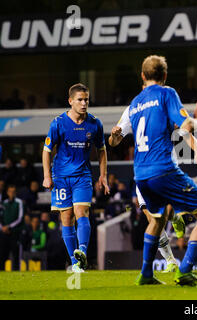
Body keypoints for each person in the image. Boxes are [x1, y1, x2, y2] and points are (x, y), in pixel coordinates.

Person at [109, 54, 197, 286]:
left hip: (141, 175)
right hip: (163, 170)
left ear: (142, 76)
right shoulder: (167, 93)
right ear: (165, 76)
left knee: (157, 220)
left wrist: (114, 136)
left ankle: (146, 273)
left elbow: (113, 142)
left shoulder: (135, 103)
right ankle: (185, 271)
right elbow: (186, 127)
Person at [42, 83, 110, 273]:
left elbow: (102, 150)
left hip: (83, 176)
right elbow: (46, 151)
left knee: (82, 212)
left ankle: (82, 252)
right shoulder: (58, 123)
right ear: (70, 101)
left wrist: (103, 176)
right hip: (61, 177)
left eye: (86, 99)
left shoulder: (95, 123)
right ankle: (75, 262)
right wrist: (47, 176)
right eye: (80, 100)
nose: (84, 103)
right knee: (67, 217)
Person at [0, 185, 24, 270]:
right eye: (10, 191)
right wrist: (2, 227)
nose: (11, 193)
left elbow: (20, 218)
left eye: (13, 192)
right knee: (2, 254)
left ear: (16, 193)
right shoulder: (3, 203)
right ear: (7, 192)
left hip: (14, 232)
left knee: (15, 254)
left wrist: (9, 226)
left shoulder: (19, 202)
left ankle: (16, 272)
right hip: (3, 232)